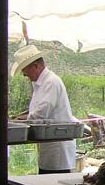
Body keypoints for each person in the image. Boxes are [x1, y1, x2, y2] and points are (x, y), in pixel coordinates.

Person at [10, 45, 76, 174]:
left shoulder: (51, 82)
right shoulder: (41, 84)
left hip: (57, 145)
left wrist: (18, 120)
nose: (24, 74)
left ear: (36, 66)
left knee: (54, 182)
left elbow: (41, 114)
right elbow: (35, 111)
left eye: (25, 70)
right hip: (49, 144)